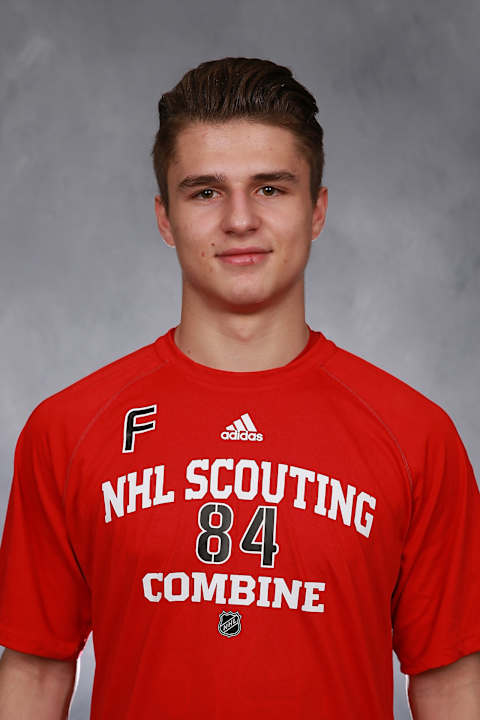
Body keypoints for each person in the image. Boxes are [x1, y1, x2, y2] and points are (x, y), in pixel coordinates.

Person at [0, 57, 479, 720]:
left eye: (270, 189)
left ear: (317, 210)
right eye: (204, 192)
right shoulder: (67, 429)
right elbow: (35, 669)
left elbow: (450, 683)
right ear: (165, 218)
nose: (239, 220)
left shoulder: (415, 436)